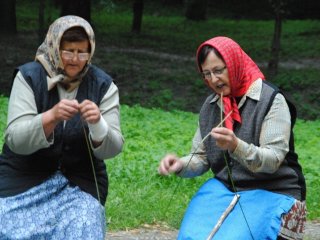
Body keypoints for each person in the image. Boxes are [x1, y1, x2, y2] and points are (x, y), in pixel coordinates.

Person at [158, 36, 306, 240]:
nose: (214, 79)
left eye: (219, 70)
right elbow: (201, 158)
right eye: (207, 74)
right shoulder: (211, 107)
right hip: (226, 188)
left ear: (234, 64)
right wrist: (180, 165)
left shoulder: (271, 100)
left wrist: (235, 145)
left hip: (273, 189)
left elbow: (272, 160)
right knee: (190, 236)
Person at [0, 15, 124, 239]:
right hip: (23, 180)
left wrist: (98, 124)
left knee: (85, 224)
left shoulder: (104, 85)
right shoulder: (28, 77)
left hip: (79, 185)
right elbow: (15, 140)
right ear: (55, 46)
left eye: (82, 52)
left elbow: (113, 149)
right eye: (68, 51)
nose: (75, 59)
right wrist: (50, 118)